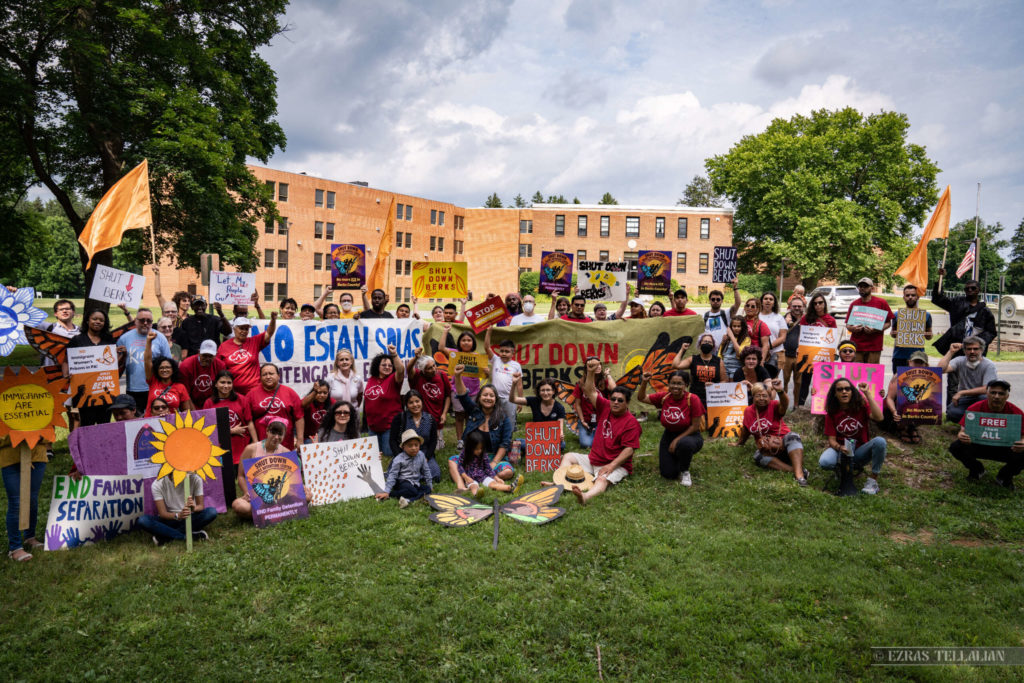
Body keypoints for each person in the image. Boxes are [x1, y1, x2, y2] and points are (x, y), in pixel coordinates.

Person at [550, 358, 641, 506]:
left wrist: (611, 466)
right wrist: (591, 372)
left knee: (602, 479)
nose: (615, 402)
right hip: (594, 459)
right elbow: (590, 390)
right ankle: (559, 483)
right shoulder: (605, 406)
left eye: (620, 400)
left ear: (627, 403)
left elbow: (629, 450)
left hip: (615, 464)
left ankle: (586, 497)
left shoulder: (631, 422)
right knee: (568, 456)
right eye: (613, 399)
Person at [949, 379, 1024, 489]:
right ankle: (977, 469)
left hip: (1005, 449)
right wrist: (961, 435)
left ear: (1007, 396)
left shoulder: (1016, 412)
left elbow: (1023, 436)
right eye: (993, 392)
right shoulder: (975, 408)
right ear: (987, 394)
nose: (997, 396)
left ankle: (1004, 476)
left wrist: (1022, 443)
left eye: (1001, 393)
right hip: (980, 446)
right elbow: (962, 431)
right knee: (956, 447)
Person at [818, 378, 887, 494]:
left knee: (880, 442)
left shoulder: (862, 406)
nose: (844, 391)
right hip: (840, 450)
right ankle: (841, 470)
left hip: (859, 450)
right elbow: (832, 440)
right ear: (835, 394)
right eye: (840, 390)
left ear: (852, 391)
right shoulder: (831, 412)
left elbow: (879, 417)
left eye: (847, 389)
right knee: (825, 462)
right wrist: (840, 448)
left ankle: (873, 480)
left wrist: (867, 394)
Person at [734, 379, 808, 487]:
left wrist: (780, 391)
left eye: (765, 396)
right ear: (753, 397)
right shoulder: (748, 411)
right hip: (767, 448)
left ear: (769, 397)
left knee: (793, 436)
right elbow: (746, 429)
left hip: (785, 445)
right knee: (758, 456)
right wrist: (739, 443)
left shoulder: (774, 405)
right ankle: (794, 470)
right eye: (758, 396)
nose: (761, 399)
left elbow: (785, 404)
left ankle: (799, 476)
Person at [638, 370, 705, 486]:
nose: (675, 386)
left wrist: (676, 440)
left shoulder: (693, 399)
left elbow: (695, 426)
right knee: (668, 474)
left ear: (686, 385)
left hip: (690, 435)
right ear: (668, 384)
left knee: (685, 445)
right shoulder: (664, 397)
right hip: (669, 435)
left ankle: (685, 471)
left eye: (679, 384)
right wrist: (644, 382)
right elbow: (642, 398)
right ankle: (679, 458)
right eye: (673, 383)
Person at [452, 364, 515, 482]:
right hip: (471, 457)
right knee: (453, 461)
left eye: (491, 396)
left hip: (492, 457)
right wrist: (458, 376)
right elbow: (463, 396)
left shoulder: (503, 418)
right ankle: (483, 477)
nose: (488, 398)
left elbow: (504, 444)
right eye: (485, 395)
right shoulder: (474, 411)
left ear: (496, 399)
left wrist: (494, 463)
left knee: (508, 471)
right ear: (479, 398)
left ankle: (476, 477)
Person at [67, 308, 125, 427]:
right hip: (85, 391)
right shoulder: (77, 340)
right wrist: (66, 374)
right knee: (86, 424)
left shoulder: (109, 339)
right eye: (94, 319)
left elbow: (112, 364)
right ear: (88, 320)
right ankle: (88, 446)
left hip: (105, 389)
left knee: (104, 424)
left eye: (101, 320)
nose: (98, 322)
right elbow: (65, 361)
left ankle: (103, 446)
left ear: (105, 323)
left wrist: (122, 354)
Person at [138, 469, 218, 545]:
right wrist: (178, 515)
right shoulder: (158, 484)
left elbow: (201, 506)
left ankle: (167, 536)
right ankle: (186, 536)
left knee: (211, 512)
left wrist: (194, 508)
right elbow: (162, 513)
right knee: (143, 520)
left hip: (189, 517)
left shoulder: (195, 478)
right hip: (170, 518)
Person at [231, 418, 290, 520]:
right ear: (267, 431)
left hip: (280, 497)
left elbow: (292, 478)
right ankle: (275, 513)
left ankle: (264, 514)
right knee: (238, 505)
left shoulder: (286, 452)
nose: (276, 437)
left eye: (280, 434)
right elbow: (240, 476)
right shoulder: (251, 449)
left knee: (308, 495)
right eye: (273, 432)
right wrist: (247, 493)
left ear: (284, 435)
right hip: (256, 497)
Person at [439, 326, 486, 451]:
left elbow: (484, 374)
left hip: (474, 391)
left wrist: (486, 371)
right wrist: (445, 331)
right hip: (457, 391)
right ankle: (460, 440)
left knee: (471, 416)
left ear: (473, 343)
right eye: (463, 340)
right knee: (459, 416)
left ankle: (469, 438)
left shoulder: (477, 356)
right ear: (459, 342)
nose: (466, 342)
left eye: (469, 340)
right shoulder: (455, 355)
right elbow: (441, 348)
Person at [2, 435, 47, 561]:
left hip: (37, 453)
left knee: (32, 499)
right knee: (16, 502)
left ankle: (30, 537)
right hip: (11, 455)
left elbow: (47, 424)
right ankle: (15, 548)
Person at [932, 269, 997, 356]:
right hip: (956, 349)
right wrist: (940, 279)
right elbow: (938, 299)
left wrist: (976, 342)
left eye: (973, 288)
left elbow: (991, 332)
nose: (970, 290)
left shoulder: (985, 311)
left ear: (978, 290)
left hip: (975, 351)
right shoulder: (957, 303)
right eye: (967, 288)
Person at [118, 308, 171, 410]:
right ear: (135, 321)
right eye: (142, 320)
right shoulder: (124, 338)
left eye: (149, 321)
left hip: (156, 387)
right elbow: (117, 365)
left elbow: (168, 364)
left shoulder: (160, 338)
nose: (145, 323)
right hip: (133, 388)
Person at [204, 370, 257, 470]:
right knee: (227, 483)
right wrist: (231, 431)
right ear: (216, 384)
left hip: (241, 446)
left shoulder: (242, 399)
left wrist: (255, 443)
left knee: (244, 481)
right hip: (221, 448)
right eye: (222, 382)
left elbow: (249, 422)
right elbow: (208, 430)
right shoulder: (209, 403)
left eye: (229, 383)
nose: (226, 386)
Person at [938, 337, 998, 423]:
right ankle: (972, 421)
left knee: (985, 400)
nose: (972, 352)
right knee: (952, 412)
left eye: (975, 349)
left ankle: (977, 422)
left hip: (982, 398)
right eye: (969, 349)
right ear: (964, 351)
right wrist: (950, 352)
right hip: (966, 399)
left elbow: (987, 388)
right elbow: (940, 370)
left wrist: (962, 392)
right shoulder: (959, 361)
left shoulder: (989, 365)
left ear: (981, 350)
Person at [216, 312, 278, 395]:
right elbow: (218, 368)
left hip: (254, 391)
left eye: (246, 329)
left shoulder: (254, 341)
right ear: (234, 328)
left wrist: (273, 320)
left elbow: (269, 333)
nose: (244, 331)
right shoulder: (224, 346)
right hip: (233, 392)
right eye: (241, 328)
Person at [246, 363, 304, 450]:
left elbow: (299, 417)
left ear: (278, 376)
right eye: (264, 374)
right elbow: (248, 420)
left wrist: (300, 439)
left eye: (271, 373)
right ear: (260, 377)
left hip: (285, 445)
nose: (268, 377)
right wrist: (255, 441)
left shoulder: (290, 392)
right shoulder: (251, 395)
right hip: (261, 445)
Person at [448, 431, 523, 496]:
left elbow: (488, 468)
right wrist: (466, 477)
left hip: (482, 476)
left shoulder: (483, 454)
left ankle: (510, 487)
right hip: (470, 477)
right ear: (470, 447)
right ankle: (476, 495)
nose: (479, 451)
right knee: (474, 486)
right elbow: (460, 466)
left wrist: (496, 478)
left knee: (493, 484)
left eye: (481, 448)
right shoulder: (464, 454)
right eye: (477, 449)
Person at [388, 390, 439, 481]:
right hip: (404, 454)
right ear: (406, 405)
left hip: (423, 453)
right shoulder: (400, 418)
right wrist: (399, 457)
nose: (415, 405)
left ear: (422, 402)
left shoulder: (430, 419)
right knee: (395, 474)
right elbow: (392, 440)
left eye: (417, 401)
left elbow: (433, 441)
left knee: (435, 474)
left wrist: (427, 457)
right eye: (411, 402)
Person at [364, 345, 405, 457]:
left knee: (388, 455)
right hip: (372, 427)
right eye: (384, 365)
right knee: (374, 457)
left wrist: (394, 355)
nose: (387, 367)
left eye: (390, 365)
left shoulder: (394, 379)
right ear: (377, 366)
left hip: (389, 427)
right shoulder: (372, 379)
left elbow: (401, 370)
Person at [375, 429, 433, 508]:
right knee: (411, 490)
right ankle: (390, 495)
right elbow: (392, 475)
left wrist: (430, 484)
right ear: (403, 447)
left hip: (415, 482)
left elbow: (426, 470)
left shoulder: (421, 455)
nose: (413, 448)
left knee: (427, 489)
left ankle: (408, 500)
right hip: (402, 482)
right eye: (410, 445)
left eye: (416, 445)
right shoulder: (399, 459)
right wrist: (387, 491)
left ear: (419, 445)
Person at [509, 375, 567, 453]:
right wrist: (514, 384)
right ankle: (541, 450)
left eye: (548, 390)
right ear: (539, 392)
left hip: (550, 440)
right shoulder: (534, 401)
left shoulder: (559, 407)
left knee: (562, 445)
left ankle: (536, 449)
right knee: (517, 443)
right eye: (542, 390)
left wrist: (561, 436)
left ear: (553, 391)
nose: (545, 393)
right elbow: (513, 399)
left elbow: (560, 429)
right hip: (536, 439)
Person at [844, 277, 893, 365]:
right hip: (857, 346)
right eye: (860, 286)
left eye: (865, 286)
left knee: (872, 376)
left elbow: (888, 323)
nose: (862, 288)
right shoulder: (854, 304)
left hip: (874, 347)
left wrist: (876, 329)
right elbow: (848, 325)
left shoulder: (881, 303)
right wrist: (853, 328)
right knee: (856, 374)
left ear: (872, 288)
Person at [884, 350, 930, 444]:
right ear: (909, 362)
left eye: (920, 362)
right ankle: (901, 428)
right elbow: (890, 398)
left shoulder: (930, 378)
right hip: (894, 407)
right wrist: (894, 411)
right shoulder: (899, 375)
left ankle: (911, 427)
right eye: (915, 362)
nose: (917, 365)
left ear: (926, 365)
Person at [143, 332, 192, 416]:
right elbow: (147, 360)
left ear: (173, 370)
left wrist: (172, 416)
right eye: (161, 368)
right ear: (157, 370)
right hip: (150, 424)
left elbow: (187, 411)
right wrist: (148, 341)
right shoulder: (153, 381)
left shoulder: (180, 387)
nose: (164, 370)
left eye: (167, 367)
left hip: (171, 425)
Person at [572, 356, 617, 447]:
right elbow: (578, 405)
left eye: (599, 364)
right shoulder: (581, 383)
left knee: (600, 443)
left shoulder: (604, 382)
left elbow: (614, 389)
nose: (598, 366)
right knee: (585, 444)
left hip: (601, 420)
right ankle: (589, 433)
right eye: (594, 365)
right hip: (586, 420)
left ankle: (594, 433)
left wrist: (607, 374)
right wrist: (582, 420)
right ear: (588, 367)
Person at [889, 284, 934, 375]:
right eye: (907, 295)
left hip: (918, 357)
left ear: (918, 297)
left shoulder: (926, 315)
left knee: (916, 384)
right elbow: (893, 333)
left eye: (913, 295)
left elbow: (930, 335)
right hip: (899, 355)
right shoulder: (897, 315)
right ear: (904, 297)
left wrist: (928, 335)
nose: (910, 297)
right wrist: (894, 333)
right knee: (899, 385)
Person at [673, 333, 725, 409]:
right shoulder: (693, 359)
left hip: (713, 398)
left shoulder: (719, 361)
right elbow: (675, 365)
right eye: (704, 341)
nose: (707, 343)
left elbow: (724, 381)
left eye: (709, 342)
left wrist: (714, 386)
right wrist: (682, 349)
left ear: (713, 346)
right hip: (695, 397)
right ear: (700, 344)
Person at [484, 326, 523, 425]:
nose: (504, 354)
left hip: (510, 399)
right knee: (494, 420)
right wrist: (489, 331)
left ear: (512, 353)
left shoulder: (516, 365)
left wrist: (520, 400)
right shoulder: (496, 360)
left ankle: (508, 440)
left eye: (507, 351)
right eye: (502, 351)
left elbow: (519, 385)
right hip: (494, 398)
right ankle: (495, 439)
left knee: (509, 421)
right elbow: (486, 347)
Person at [407, 348, 451, 431]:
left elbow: (448, 396)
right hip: (420, 420)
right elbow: (409, 369)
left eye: (434, 365)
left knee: (437, 442)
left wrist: (444, 413)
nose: (434, 369)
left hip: (438, 420)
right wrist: (416, 357)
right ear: (423, 370)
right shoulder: (417, 376)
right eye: (429, 368)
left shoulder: (442, 375)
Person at [178, 339, 225, 409]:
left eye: (210, 356)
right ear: (199, 352)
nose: (207, 359)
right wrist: (195, 412)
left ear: (216, 355)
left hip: (212, 402)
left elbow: (221, 389)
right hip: (192, 401)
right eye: (204, 355)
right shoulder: (186, 366)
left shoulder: (220, 365)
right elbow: (185, 394)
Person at [703, 279, 741, 351]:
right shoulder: (705, 316)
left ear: (722, 301)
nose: (715, 301)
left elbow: (738, 303)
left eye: (718, 299)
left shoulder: (726, 313)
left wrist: (735, 288)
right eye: (713, 299)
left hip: (724, 349)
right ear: (709, 300)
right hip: (709, 350)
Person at [780, 298, 805, 398]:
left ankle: (796, 405)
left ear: (803, 307)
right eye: (794, 306)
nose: (797, 308)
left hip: (801, 357)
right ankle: (784, 404)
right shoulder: (783, 319)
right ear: (790, 307)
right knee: (784, 381)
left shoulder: (807, 320)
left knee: (799, 383)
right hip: (786, 355)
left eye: (799, 306)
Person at [758, 292, 788, 369]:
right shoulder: (756, 316)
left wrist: (767, 347)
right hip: (758, 353)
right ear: (761, 302)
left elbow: (782, 337)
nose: (768, 301)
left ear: (774, 303)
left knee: (774, 380)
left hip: (776, 353)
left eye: (771, 299)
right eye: (766, 299)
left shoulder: (779, 317)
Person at [301, 379, 334, 444]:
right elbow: (302, 404)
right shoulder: (309, 401)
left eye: (325, 393)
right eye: (319, 392)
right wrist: (315, 391)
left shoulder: (332, 402)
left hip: (326, 437)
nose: (322, 395)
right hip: (309, 438)